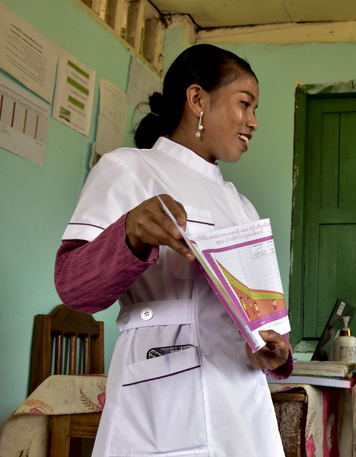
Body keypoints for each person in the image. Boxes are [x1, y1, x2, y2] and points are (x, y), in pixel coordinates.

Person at [54, 44, 292, 457]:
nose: (253, 122)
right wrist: (131, 232)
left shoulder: (241, 204)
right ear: (197, 98)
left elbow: (259, 313)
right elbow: (75, 289)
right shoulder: (130, 168)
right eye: (245, 104)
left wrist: (274, 351)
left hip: (241, 398)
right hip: (163, 394)